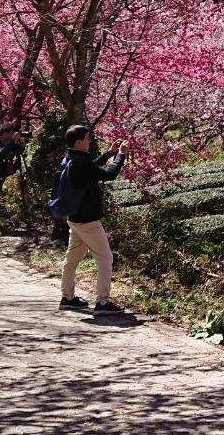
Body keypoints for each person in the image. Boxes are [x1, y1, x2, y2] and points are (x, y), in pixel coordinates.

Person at [56, 125, 127, 313]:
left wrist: (108, 153)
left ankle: (67, 298)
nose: (89, 141)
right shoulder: (80, 162)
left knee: (72, 259)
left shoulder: (70, 158)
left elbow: (91, 169)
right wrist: (121, 156)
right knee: (105, 258)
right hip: (88, 220)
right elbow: (109, 174)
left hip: (74, 217)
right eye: (87, 138)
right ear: (79, 142)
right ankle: (103, 302)